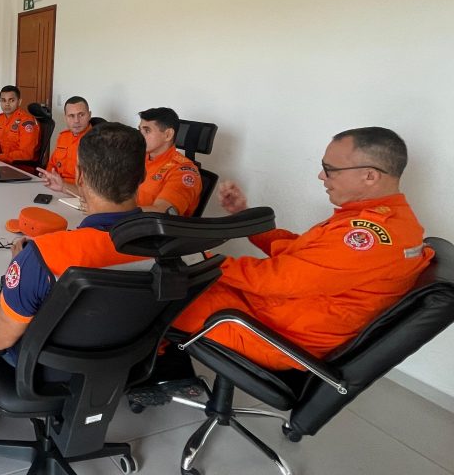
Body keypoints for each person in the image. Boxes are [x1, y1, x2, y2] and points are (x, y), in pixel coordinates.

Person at [158, 127, 431, 385]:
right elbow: (302, 254)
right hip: (271, 313)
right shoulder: (387, 220)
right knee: (173, 281)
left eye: (329, 170)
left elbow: (276, 280)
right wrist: (243, 218)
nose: (321, 177)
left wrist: (205, 263)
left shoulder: (369, 238)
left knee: (156, 297)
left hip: (275, 335)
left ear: (370, 176)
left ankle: (157, 374)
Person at [0, 123, 150, 421]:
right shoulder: (176, 244)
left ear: (80, 176)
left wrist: (15, 270)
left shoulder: (43, 256)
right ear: (143, 176)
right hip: (122, 361)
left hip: (43, 367)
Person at [135, 107, 202, 215]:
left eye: (147, 131)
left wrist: (117, 212)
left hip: (146, 229)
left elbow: (164, 212)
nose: (140, 135)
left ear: (168, 135)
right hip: (118, 223)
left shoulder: (183, 171)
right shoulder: (136, 157)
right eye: (140, 130)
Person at [36, 96, 93, 190]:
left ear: (89, 115)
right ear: (65, 118)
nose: (76, 120)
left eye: (81, 115)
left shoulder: (98, 141)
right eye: (71, 116)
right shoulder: (63, 137)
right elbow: (52, 164)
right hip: (56, 187)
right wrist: (48, 177)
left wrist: (63, 186)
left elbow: (94, 185)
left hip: (79, 192)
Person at [0, 85, 41, 165]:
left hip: (21, 168)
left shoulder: (27, 122)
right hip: (3, 164)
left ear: (19, 102)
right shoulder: (0, 118)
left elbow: (26, 154)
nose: (7, 104)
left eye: (11, 100)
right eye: (3, 100)